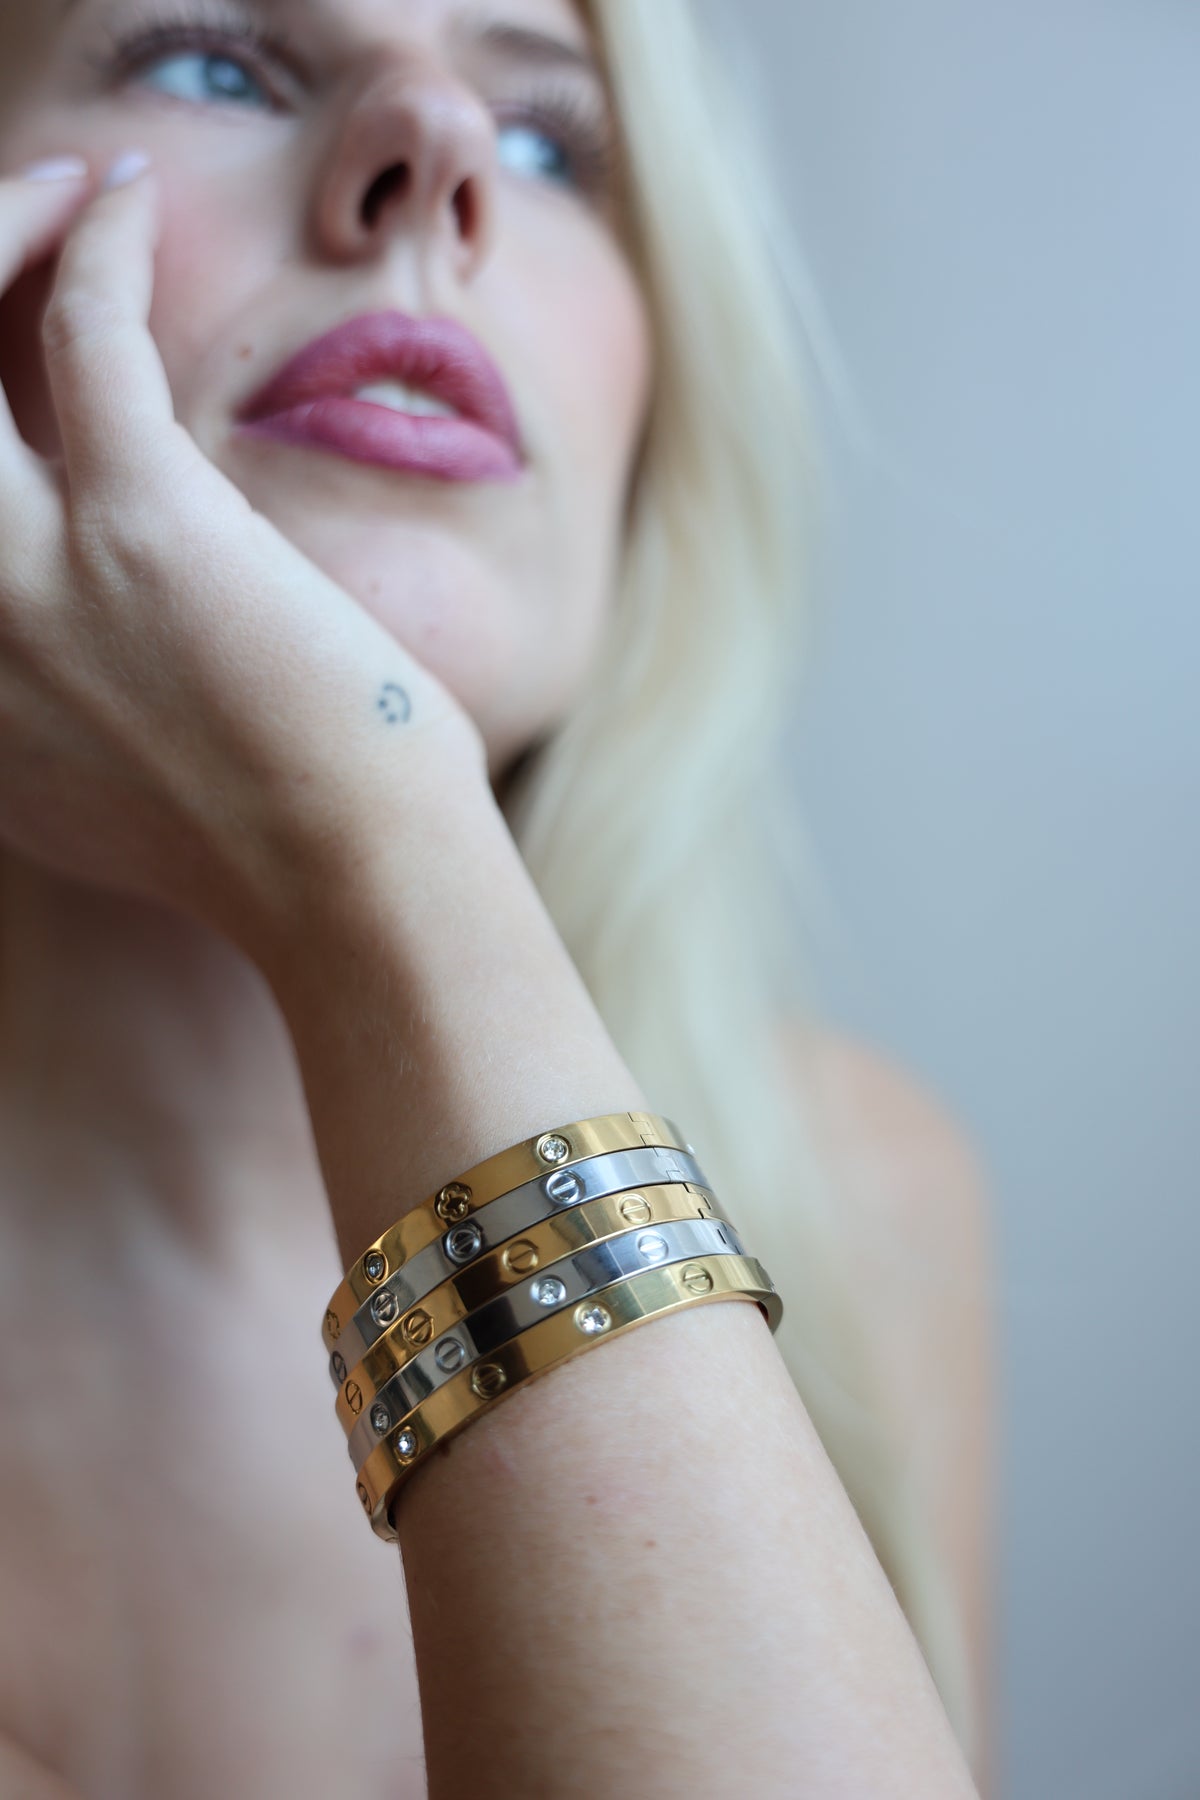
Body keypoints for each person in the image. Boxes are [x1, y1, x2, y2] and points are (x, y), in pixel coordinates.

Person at [0, 1, 997, 1795]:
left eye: (554, 144)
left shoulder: (862, 1208)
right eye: (214, 60)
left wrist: (378, 841)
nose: (440, 146)